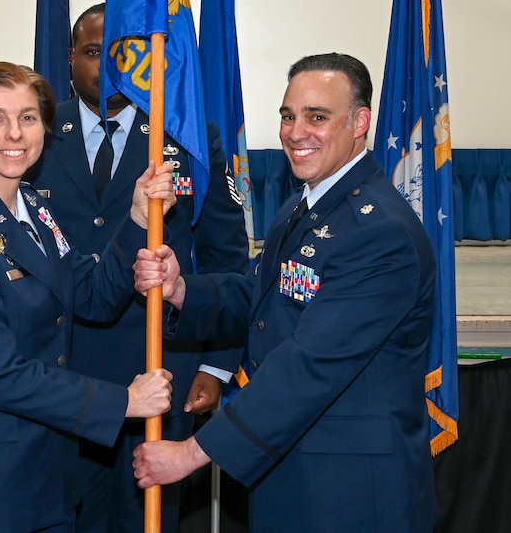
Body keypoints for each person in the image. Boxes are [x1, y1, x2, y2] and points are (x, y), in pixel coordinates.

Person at [131, 53, 439, 533]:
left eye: (317, 117)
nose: (296, 132)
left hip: (350, 490)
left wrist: (193, 453)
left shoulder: (380, 233)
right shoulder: (305, 206)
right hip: (292, 469)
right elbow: (261, 298)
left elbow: (312, 364)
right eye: (288, 116)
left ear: (360, 123)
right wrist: (180, 290)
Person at [0, 61, 179, 533]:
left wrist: (134, 220)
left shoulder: (35, 207)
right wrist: (123, 402)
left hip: (45, 482)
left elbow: (88, 295)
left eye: (28, 118)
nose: (14, 133)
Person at [25, 3, 249, 533]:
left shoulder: (186, 137)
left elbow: (227, 261)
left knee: (147, 522)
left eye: (122, 53)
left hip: (157, 367)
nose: (106, 65)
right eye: (92, 52)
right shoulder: (32, 135)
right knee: (65, 517)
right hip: (63, 372)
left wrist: (217, 366)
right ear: (70, 58)